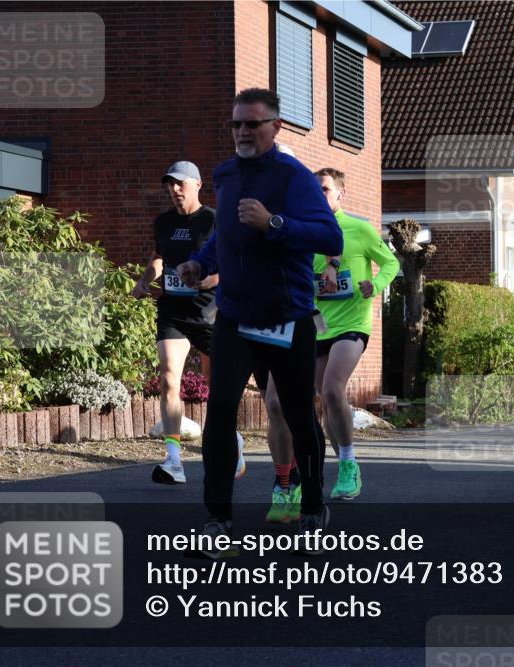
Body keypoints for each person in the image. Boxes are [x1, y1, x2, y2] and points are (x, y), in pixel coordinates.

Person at [177, 88, 342, 557]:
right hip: (235, 314)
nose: (244, 132)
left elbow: (328, 235)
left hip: (287, 317)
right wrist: (197, 262)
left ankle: (313, 505)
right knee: (221, 409)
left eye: (253, 124)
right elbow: (222, 236)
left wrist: (275, 224)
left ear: (276, 127)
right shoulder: (226, 174)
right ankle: (218, 517)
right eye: (237, 124)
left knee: (297, 414)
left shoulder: (294, 176)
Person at [132, 161, 245, 485]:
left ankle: (232, 441)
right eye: (170, 184)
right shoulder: (163, 222)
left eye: (180, 183)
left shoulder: (213, 220)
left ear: (197, 184)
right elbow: (158, 257)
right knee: (169, 377)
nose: (175, 189)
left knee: (218, 389)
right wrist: (144, 281)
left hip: (211, 313)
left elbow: (236, 262)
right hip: (173, 311)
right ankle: (173, 460)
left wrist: (214, 280)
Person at [311, 167, 399, 499]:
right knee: (323, 395)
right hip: (319, 325)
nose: (320, 195)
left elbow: (391, 263)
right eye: (315, 190)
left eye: (325, 189)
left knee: (333, 389)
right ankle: (341, 460)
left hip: (353, 324)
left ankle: (348, 464)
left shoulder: (359, 229)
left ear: (340, 194)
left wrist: (373, 285)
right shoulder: (309, 234)